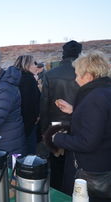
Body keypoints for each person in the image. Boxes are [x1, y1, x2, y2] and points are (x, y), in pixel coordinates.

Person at [51, 51, 111, 202]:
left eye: (78, 75)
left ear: (89, 75)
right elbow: (101, 122)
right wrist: (74, 110)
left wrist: (57, 138)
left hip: (90, 171)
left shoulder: (95, 97)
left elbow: (87, 142)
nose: (76, 80)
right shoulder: (104, 91)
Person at [40, 40, 82, 191]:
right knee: (76, 163)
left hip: (55, 124)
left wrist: (44, 131)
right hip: (79, 123)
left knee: (57, 162)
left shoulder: (51, 74)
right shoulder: (84, 73)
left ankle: (57, 192)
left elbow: (44, 104)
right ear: (79, 54)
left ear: (63, 54)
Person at [14, 55, 40, 154]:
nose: (36, 66)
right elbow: (30, 105)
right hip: (27, 125)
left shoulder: (16, 78)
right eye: (34, 63)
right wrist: (36, 117)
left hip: (15, 125)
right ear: (27, 65)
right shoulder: (28, 80)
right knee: (29, 155)